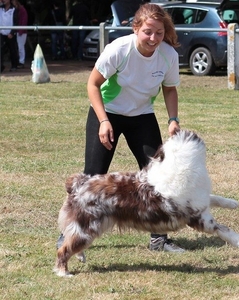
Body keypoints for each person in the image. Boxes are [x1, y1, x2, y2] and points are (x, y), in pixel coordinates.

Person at [57, 3, 185, 252]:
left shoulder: (168, 55)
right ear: (136, 27)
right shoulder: (119, 49)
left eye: (159, 33)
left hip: (142, 116)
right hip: (107, 113)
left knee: (158, 177)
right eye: (148, 31)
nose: (153, 38)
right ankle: (69, 237)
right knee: (91, 178)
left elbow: (170, 88)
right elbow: (92, 84)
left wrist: (173, 119)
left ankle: (159, 239)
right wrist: (104, 121)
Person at [0, 0, 19, 72]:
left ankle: (14, 65)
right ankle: (1, 66)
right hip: (1, 32)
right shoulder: (0, 8)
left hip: (10, 33)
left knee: (12, 50)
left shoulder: (14, 9)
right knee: (0, 49)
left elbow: (16, 22)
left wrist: (12, 32)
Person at [11, 0, 27, 68]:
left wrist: (21, 30)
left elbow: (24, 21)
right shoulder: (16, 9)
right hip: (18, 30)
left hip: (21, 31)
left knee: (21, 47)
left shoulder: (21, 10)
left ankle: (21, 61)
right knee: (19, 47)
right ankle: (20, 60)